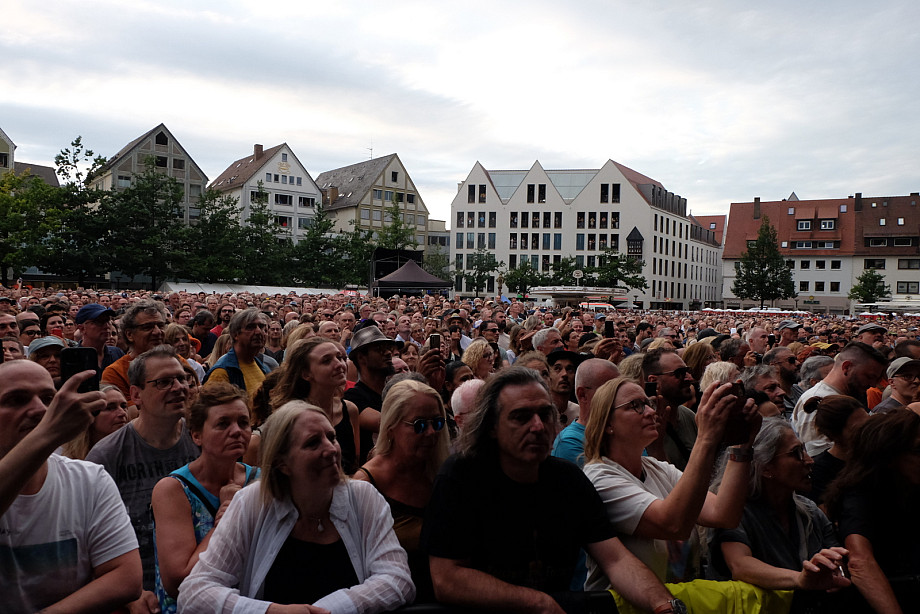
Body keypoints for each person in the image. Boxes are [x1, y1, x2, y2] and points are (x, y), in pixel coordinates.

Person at [421, 367, 683, 614]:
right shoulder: (461, 477)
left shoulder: (568, 480)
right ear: (491, 427)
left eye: (545, 414)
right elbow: (447, 578)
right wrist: (537, 603)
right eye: (521, 417)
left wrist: (664, 605)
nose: (538, 426)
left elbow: (615, 559)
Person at [177, 401, 415, 612]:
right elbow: (194, 592)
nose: (331, 449)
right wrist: (269, 611)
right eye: (313, 443)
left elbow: (397, 579)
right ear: (282, 463)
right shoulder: (253, 502)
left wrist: (334, 607)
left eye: (331, 437)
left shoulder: (363, 498)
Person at [581, 377, 758, 584]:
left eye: (649, 403)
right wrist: (706, 437)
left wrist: (742, 445)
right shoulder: (600, 478)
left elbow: (722, 513)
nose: (651, 412)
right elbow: (673, 525)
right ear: (608, 423)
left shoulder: (658, 468)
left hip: (680, 597)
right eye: (635, 405)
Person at [0, 361, 142, 613]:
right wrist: (46, 435)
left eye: (49, 399)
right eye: (16, 400)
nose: (40, 409)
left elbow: (126, 578)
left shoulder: (89, 479)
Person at [87, 346, 201, 600]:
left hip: (199, 586)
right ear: (136, 395)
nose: (178, 387)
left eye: (182, 378)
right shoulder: (107, 455)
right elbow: (88, 542)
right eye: (164, 382)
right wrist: (130, 595)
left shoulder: (202, 440)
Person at [151, 383, 258, 614]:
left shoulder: (260, 482)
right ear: (197, 436)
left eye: (243, 422)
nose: (236, 431)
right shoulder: (174, 489)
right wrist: (228, 515)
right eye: (223, 424)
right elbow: (178, 582)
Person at [709, 418, 850, 594]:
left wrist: (835, 568)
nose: (809, 460)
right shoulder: (734, 513)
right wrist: (800, 579)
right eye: (796, 453)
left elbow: (835, 557)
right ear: (765, 468)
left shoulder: (809, 511)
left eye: (804, 449)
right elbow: (740, 565)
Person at [354, 380, 449, 602]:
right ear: (391, 428)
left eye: (437, 422)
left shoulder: (441, 473)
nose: (431, 432)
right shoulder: (366, 485)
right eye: (419, 425)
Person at [825, 410, 920, 613]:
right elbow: (860, 562)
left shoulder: (911, 487)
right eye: (917, 451)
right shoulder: (859, 496)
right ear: (889, 456)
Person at [271, 337, 361, 474]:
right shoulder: (291, 418)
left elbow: (354, 464)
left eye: (339, 357)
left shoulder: (349, 410)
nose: (339, 364)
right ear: (306, 374)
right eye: (326, 361)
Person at [792, 342, 887, 456]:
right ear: (846, 367)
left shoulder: (853, 394)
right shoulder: (817, 399)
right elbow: (818, 456)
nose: (873, 384)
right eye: (869, 376)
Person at [345, 326, 401, 465]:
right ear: (361, 357)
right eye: (379, 349)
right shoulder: (353, 397)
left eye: (388, 348)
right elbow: (391, 425)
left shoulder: (394, 392)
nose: (388, 353)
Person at [800, 395, 869, 506]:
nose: (868, 431)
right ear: (834, 435)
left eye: (869, 423)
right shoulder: (819, 472)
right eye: (858, 429)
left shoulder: (872, 457)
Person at [203, 308, 270, 394]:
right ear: (235, 334)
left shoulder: (261, 366)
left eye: (261, 327)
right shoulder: (222, 372)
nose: (258, 331)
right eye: (250, 327)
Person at [61, 385, 130, 460]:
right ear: (88, 415)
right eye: (109, 408)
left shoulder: (135, 452)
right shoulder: (65, 460)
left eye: (123, 406)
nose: (122, 413)